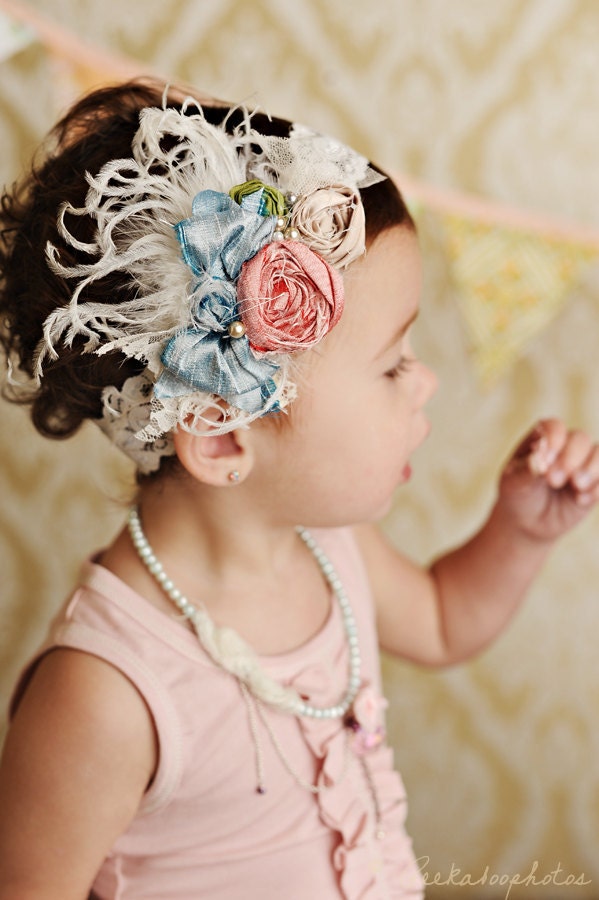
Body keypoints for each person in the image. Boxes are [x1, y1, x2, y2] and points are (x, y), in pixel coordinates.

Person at [0, 78, 597, 900]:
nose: (423, 383)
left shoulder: (323, 544)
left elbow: (444, 619)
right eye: (390, 365)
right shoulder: (108, 692)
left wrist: (519, 532)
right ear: (219, 436)